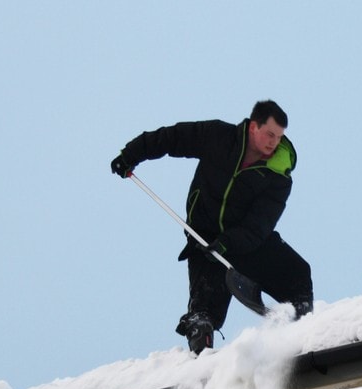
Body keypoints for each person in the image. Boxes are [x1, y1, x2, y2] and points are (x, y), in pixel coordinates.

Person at [111, 100, 313, 354]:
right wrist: (131, 154)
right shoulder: (218, 136)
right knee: (203, 313)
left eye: (279, 136)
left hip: (248, 242)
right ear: (253, 127)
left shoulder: (279, 175)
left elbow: (260, 223)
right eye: (270, 134)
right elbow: (172, 138)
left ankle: (304, 335)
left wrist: (229, 242)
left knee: (297, 273)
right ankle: (202, 360)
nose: (274, 142)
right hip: (205, 241)